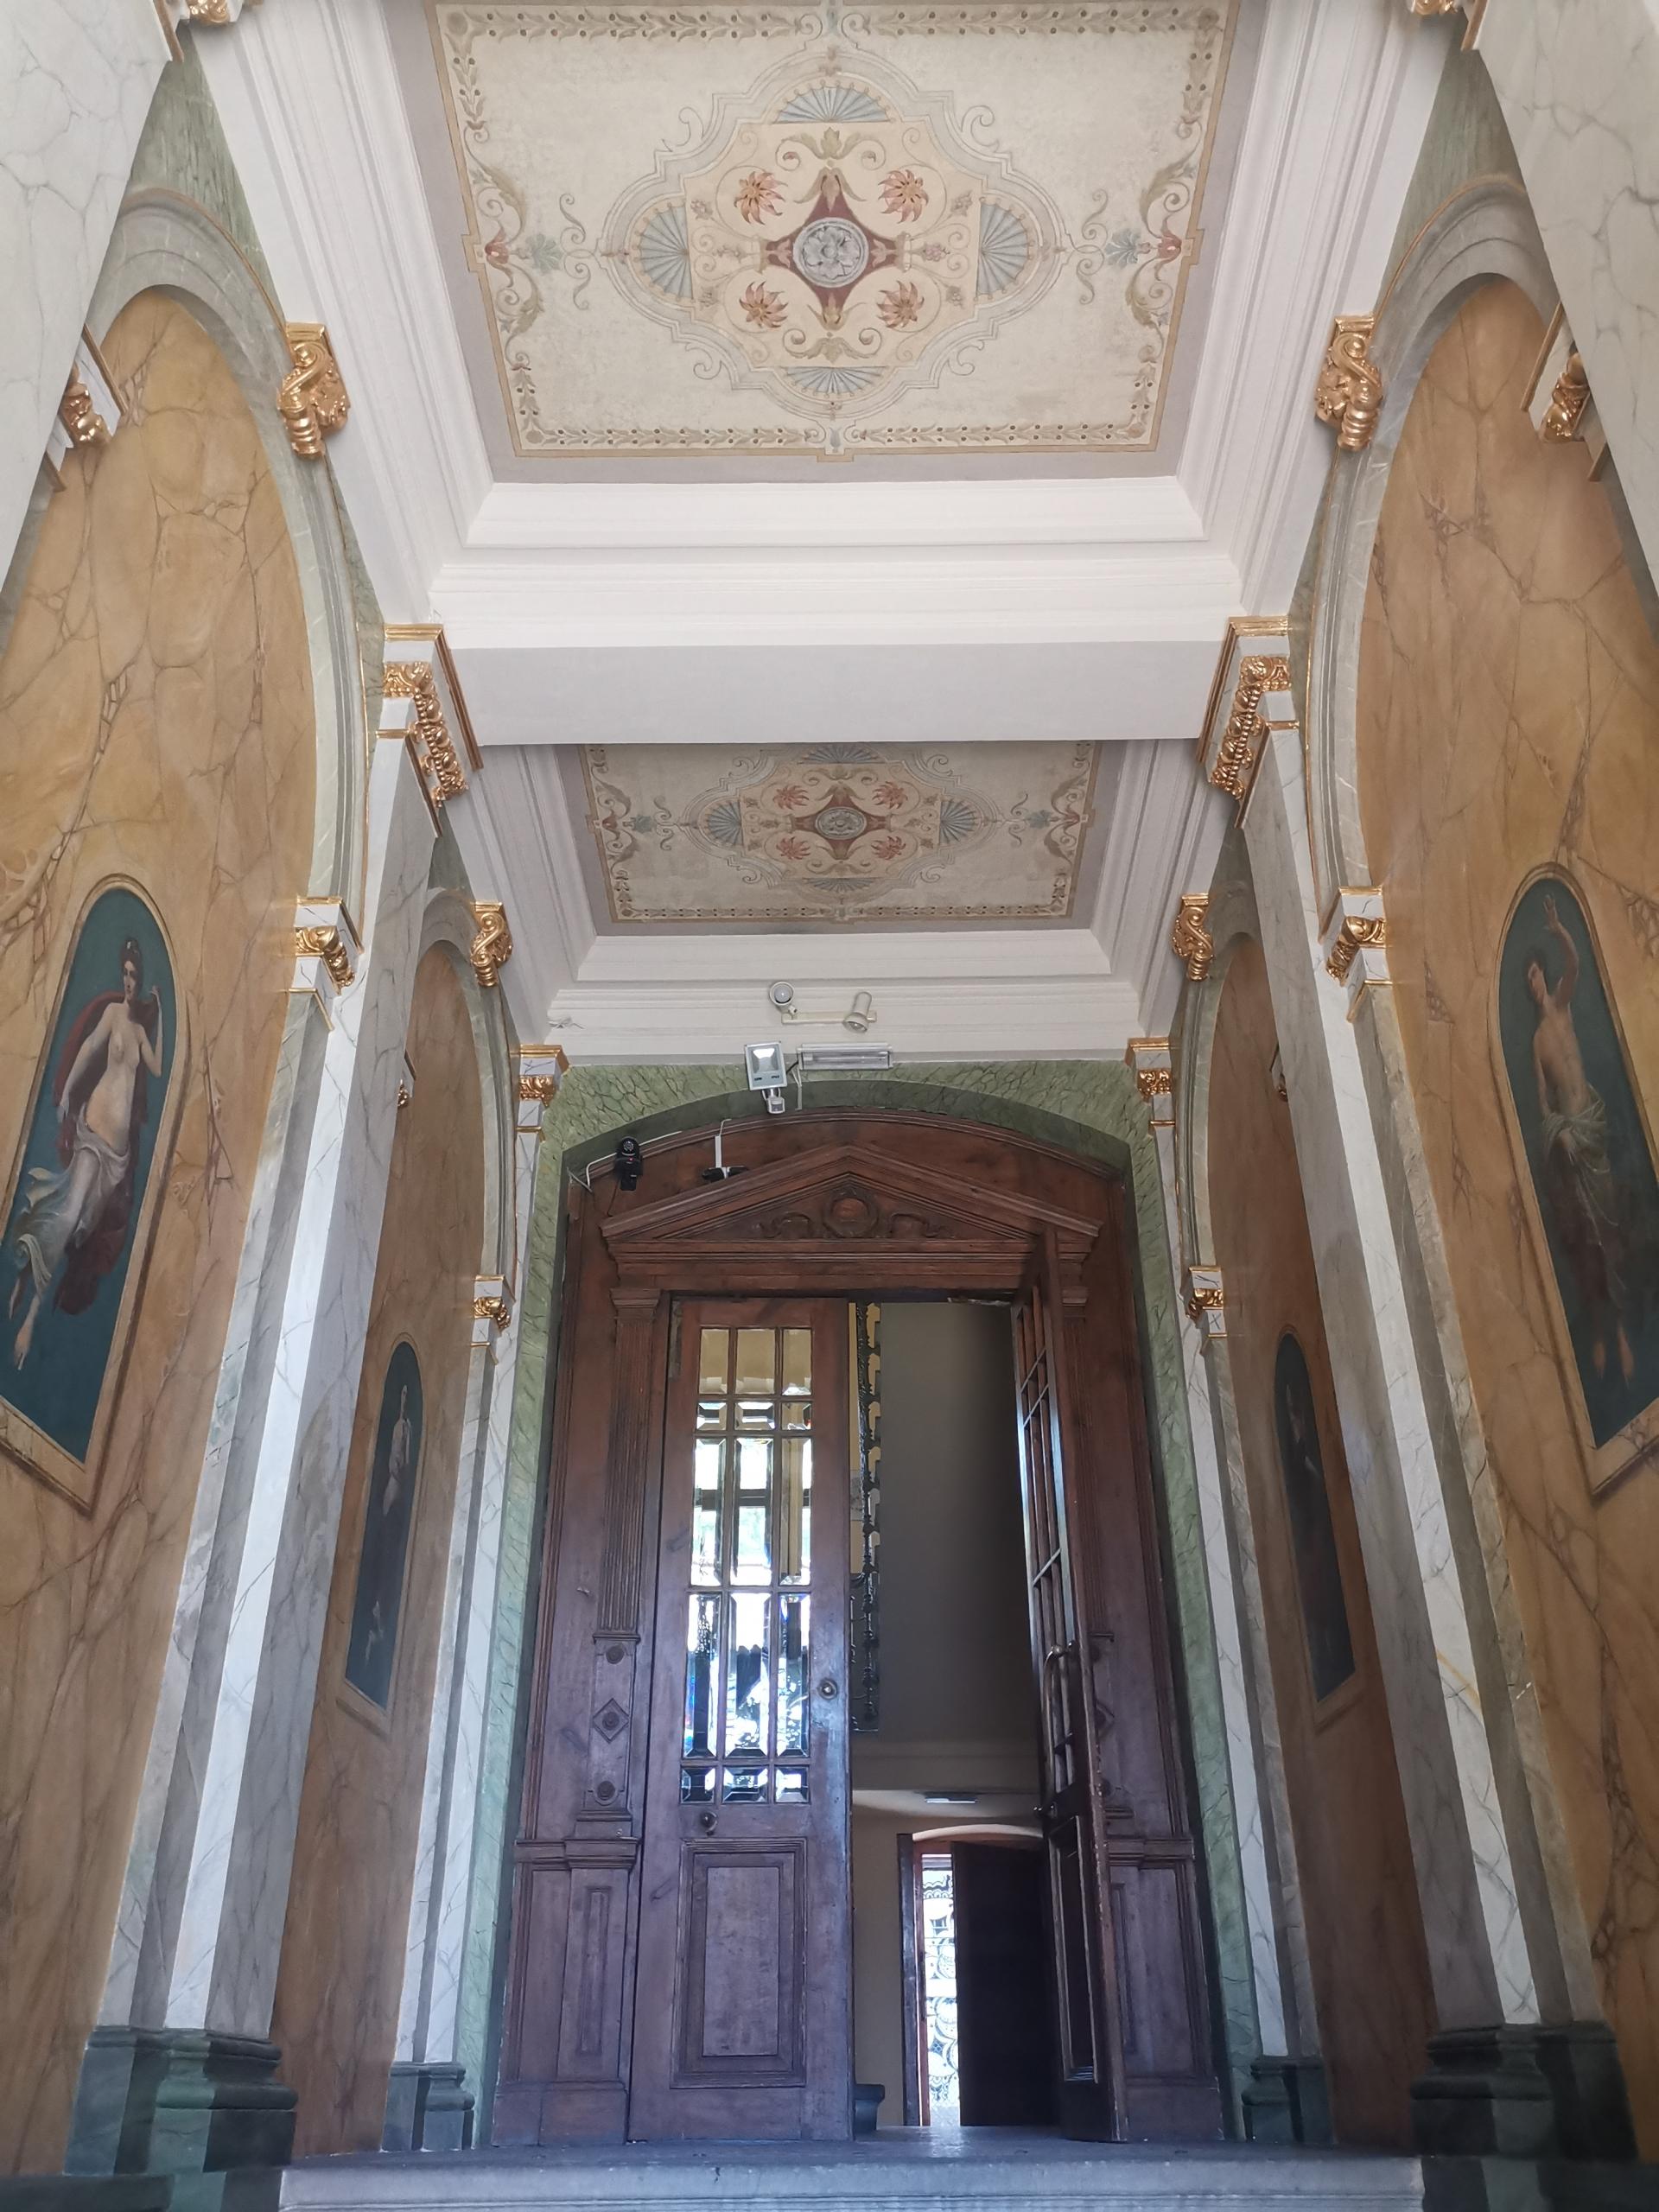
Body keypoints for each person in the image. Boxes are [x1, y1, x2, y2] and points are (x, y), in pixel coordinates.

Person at [8, 936, 163, 1367]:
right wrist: (67, 1092)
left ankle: (27, 1269)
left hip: (117, 1156)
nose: (128, 982)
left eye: (134, 976)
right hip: (94, 1135)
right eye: (125, 974)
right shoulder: (113, 1015)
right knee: (71, 1214)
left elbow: (156, 1068)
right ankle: (30, 1319)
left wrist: (162, 1013)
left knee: (77, 1227)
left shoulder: (139, 1033)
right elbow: (90, 1047)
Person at [1527, 895, 1634, 1388]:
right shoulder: (1536, 1043)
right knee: (1588, 1240)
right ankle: (1602, 1331)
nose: (1534, 983)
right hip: (1574, 1139)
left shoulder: (1564, 1007)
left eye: (1535, 974)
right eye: (1528, 979)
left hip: (1594, 1129)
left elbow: (1575, 962)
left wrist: (1558, 929)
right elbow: (1542, 1105)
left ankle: (1623, 1331)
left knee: (1610, 1231)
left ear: (1543, 976)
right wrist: (1560, 1132)